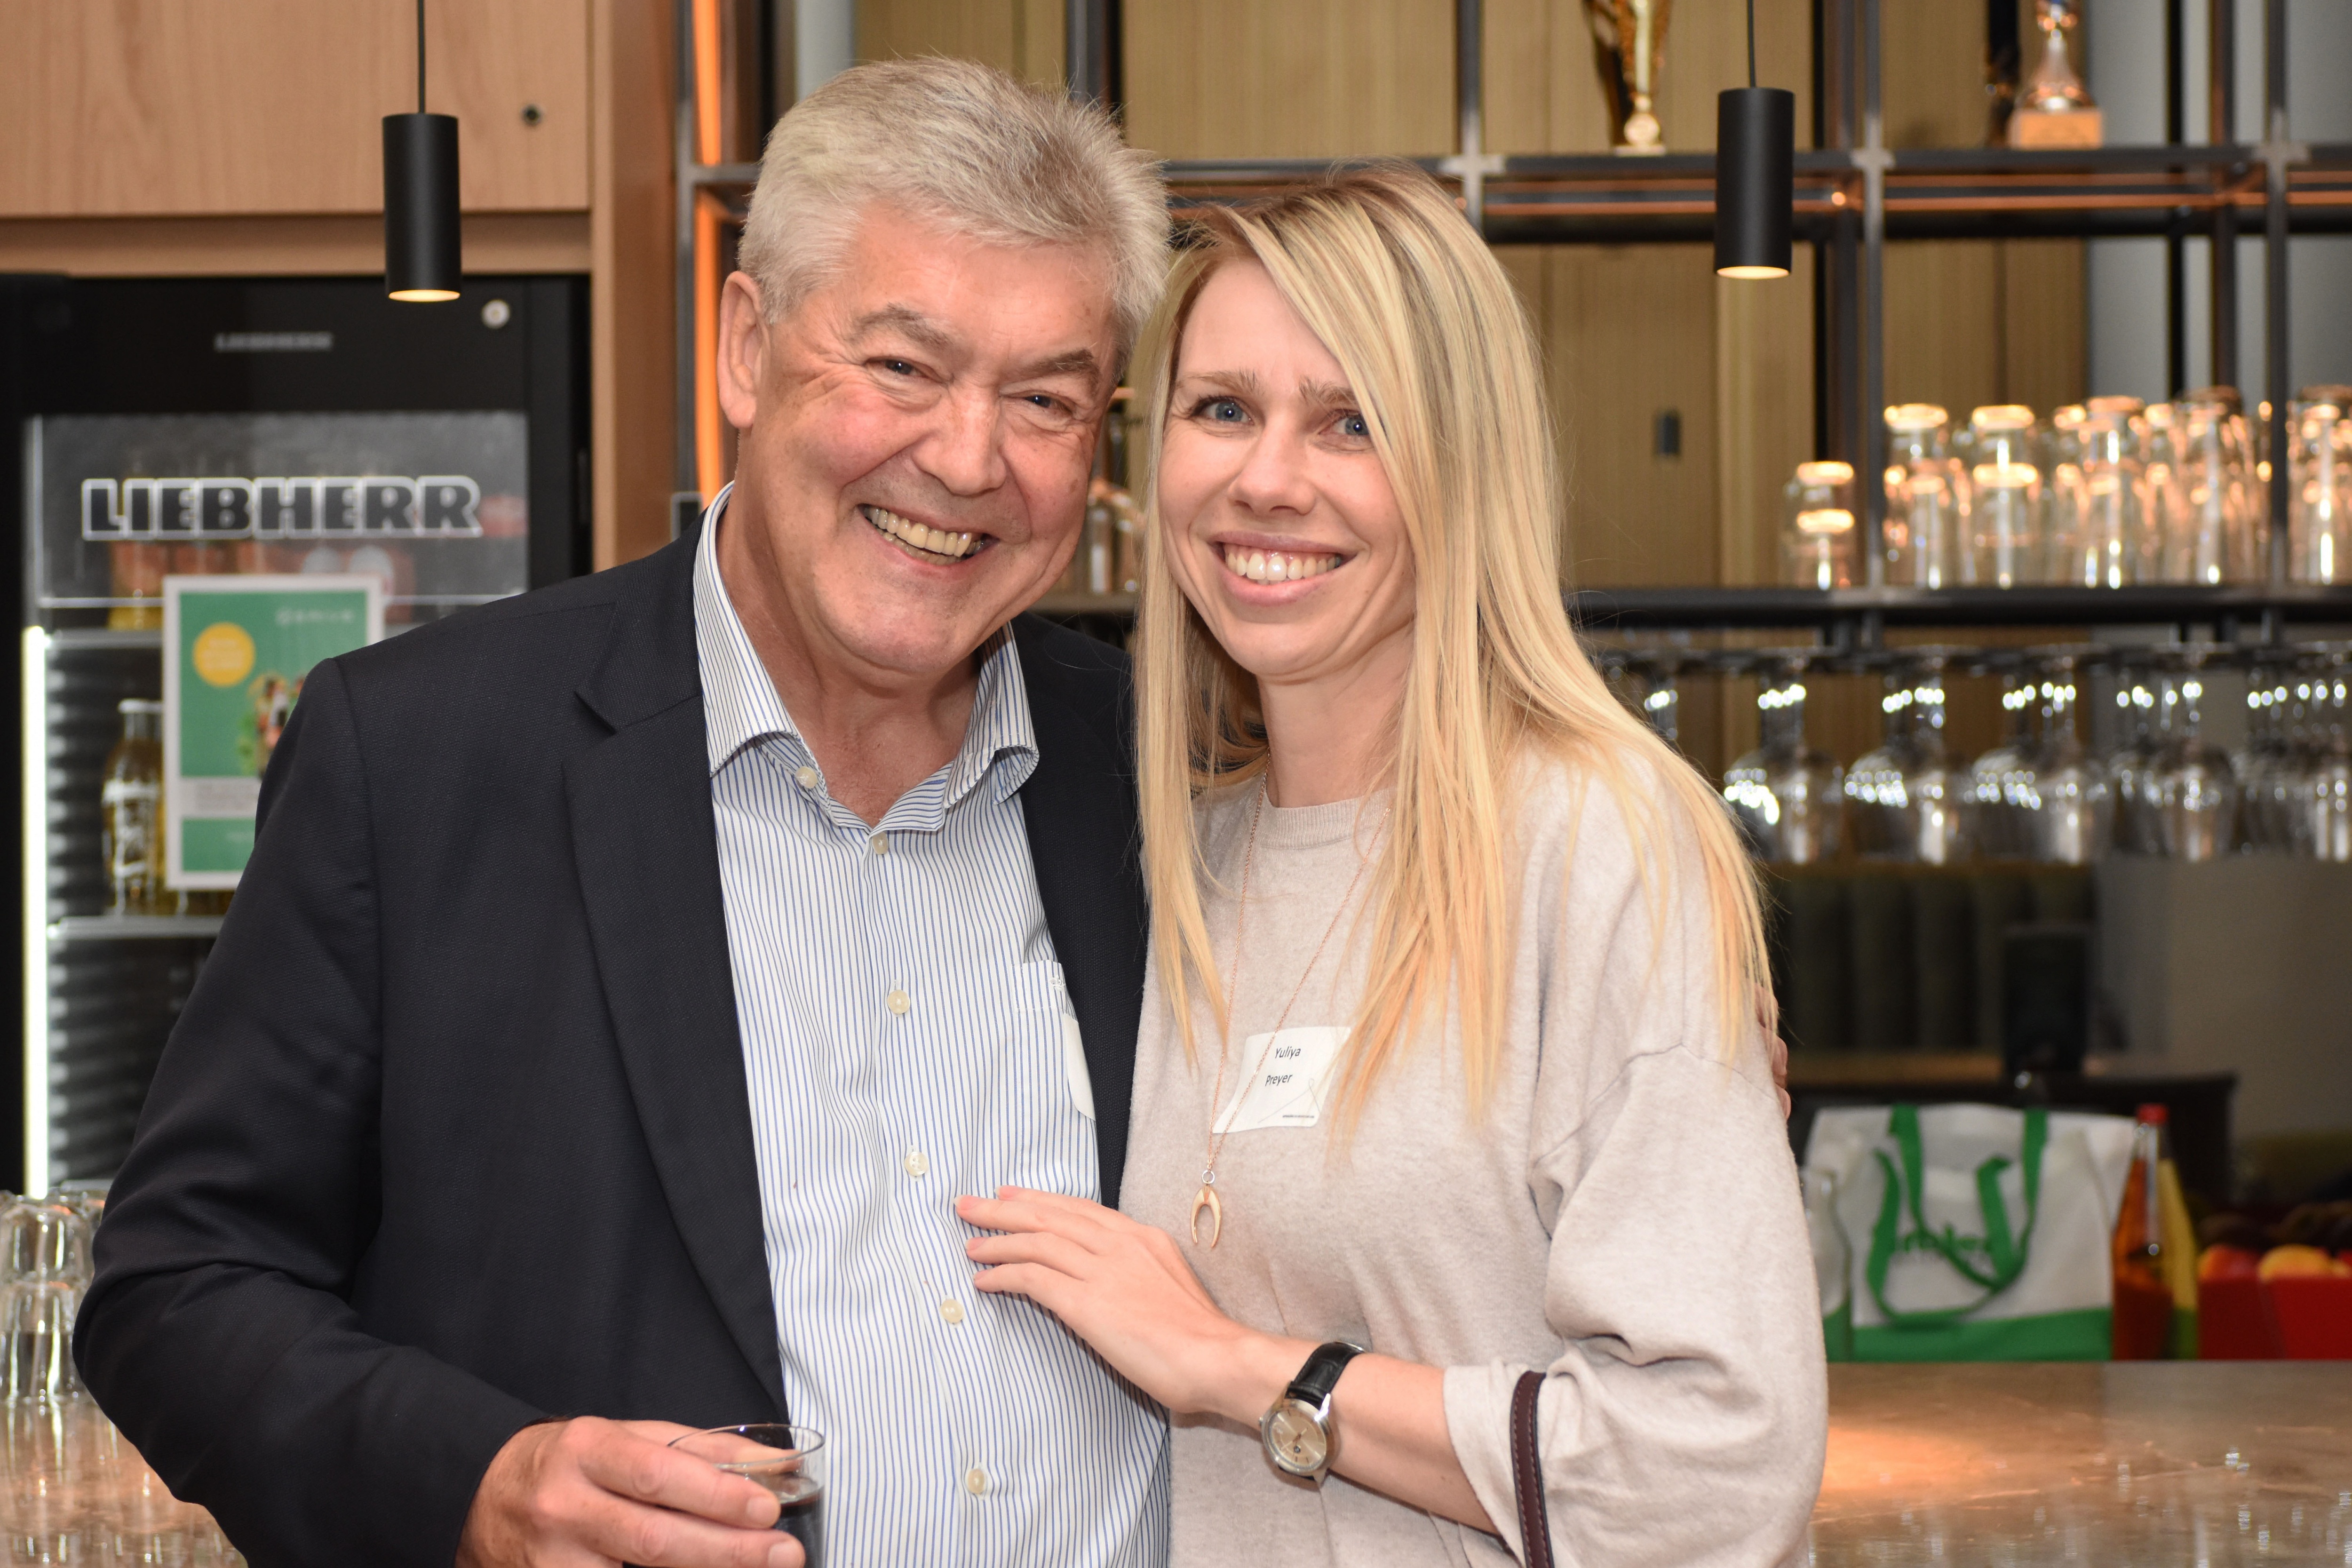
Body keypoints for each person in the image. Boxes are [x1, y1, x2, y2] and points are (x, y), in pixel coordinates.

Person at [75, 59, 1173, 1568]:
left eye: (1046, 399)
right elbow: (180, 1287)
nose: (970, 460)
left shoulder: (1159, 768)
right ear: (745, 348)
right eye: (903, 368)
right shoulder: (417, 759)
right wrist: (477, 1485)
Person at [961, 164, 1828, 1566]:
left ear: (1461, 467)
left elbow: (1718, 1470)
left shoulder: (1599, 842)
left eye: (1351, 422)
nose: (1267, 479)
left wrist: (1241, 1369)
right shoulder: (1170, 862)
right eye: (1221, 409)